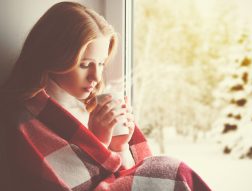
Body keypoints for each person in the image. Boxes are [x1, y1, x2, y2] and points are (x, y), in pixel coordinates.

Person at [0, 2, 211, 191]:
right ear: (54, 56)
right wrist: (99, 142)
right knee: (171, 170)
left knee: (167, 169)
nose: (95, 76)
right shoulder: (25, 120)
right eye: (84, 65)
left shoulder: (96, 105)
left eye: (101, 64)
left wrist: (119, 146)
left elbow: (133, 176)